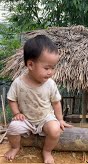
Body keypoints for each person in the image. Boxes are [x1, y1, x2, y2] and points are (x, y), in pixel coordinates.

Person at [4, 35, 72, 163]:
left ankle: (47, 151)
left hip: (45, 118)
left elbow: (56, 102)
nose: (50, 72)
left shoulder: (50, 84)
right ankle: (15, 147)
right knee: (13, 128)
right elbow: (11, 99)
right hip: (26, 119)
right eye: (46, 68)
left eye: (52, 68)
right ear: (30, 64)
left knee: (55, 129)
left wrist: (60, 119)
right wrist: (17, 113)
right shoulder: (18, 83)